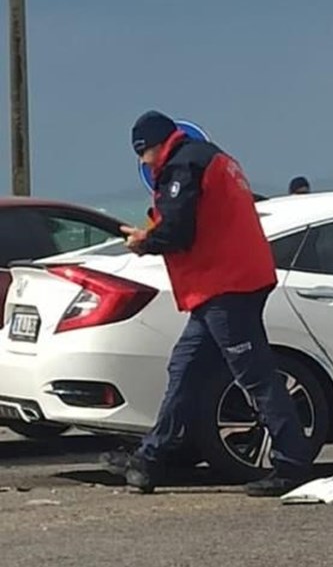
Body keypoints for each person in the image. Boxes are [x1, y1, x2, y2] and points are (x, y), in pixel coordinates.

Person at [102, 110, 312, 496]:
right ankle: (149, 461)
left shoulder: (184, 165)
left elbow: (178, 230)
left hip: (225, 284)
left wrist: (143, 242)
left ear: (151, 147)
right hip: (229, 283)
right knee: (185, 369)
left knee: (255, 375)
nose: (144, 163)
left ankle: (293, 463)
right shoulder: (211, 158)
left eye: (143, 154)